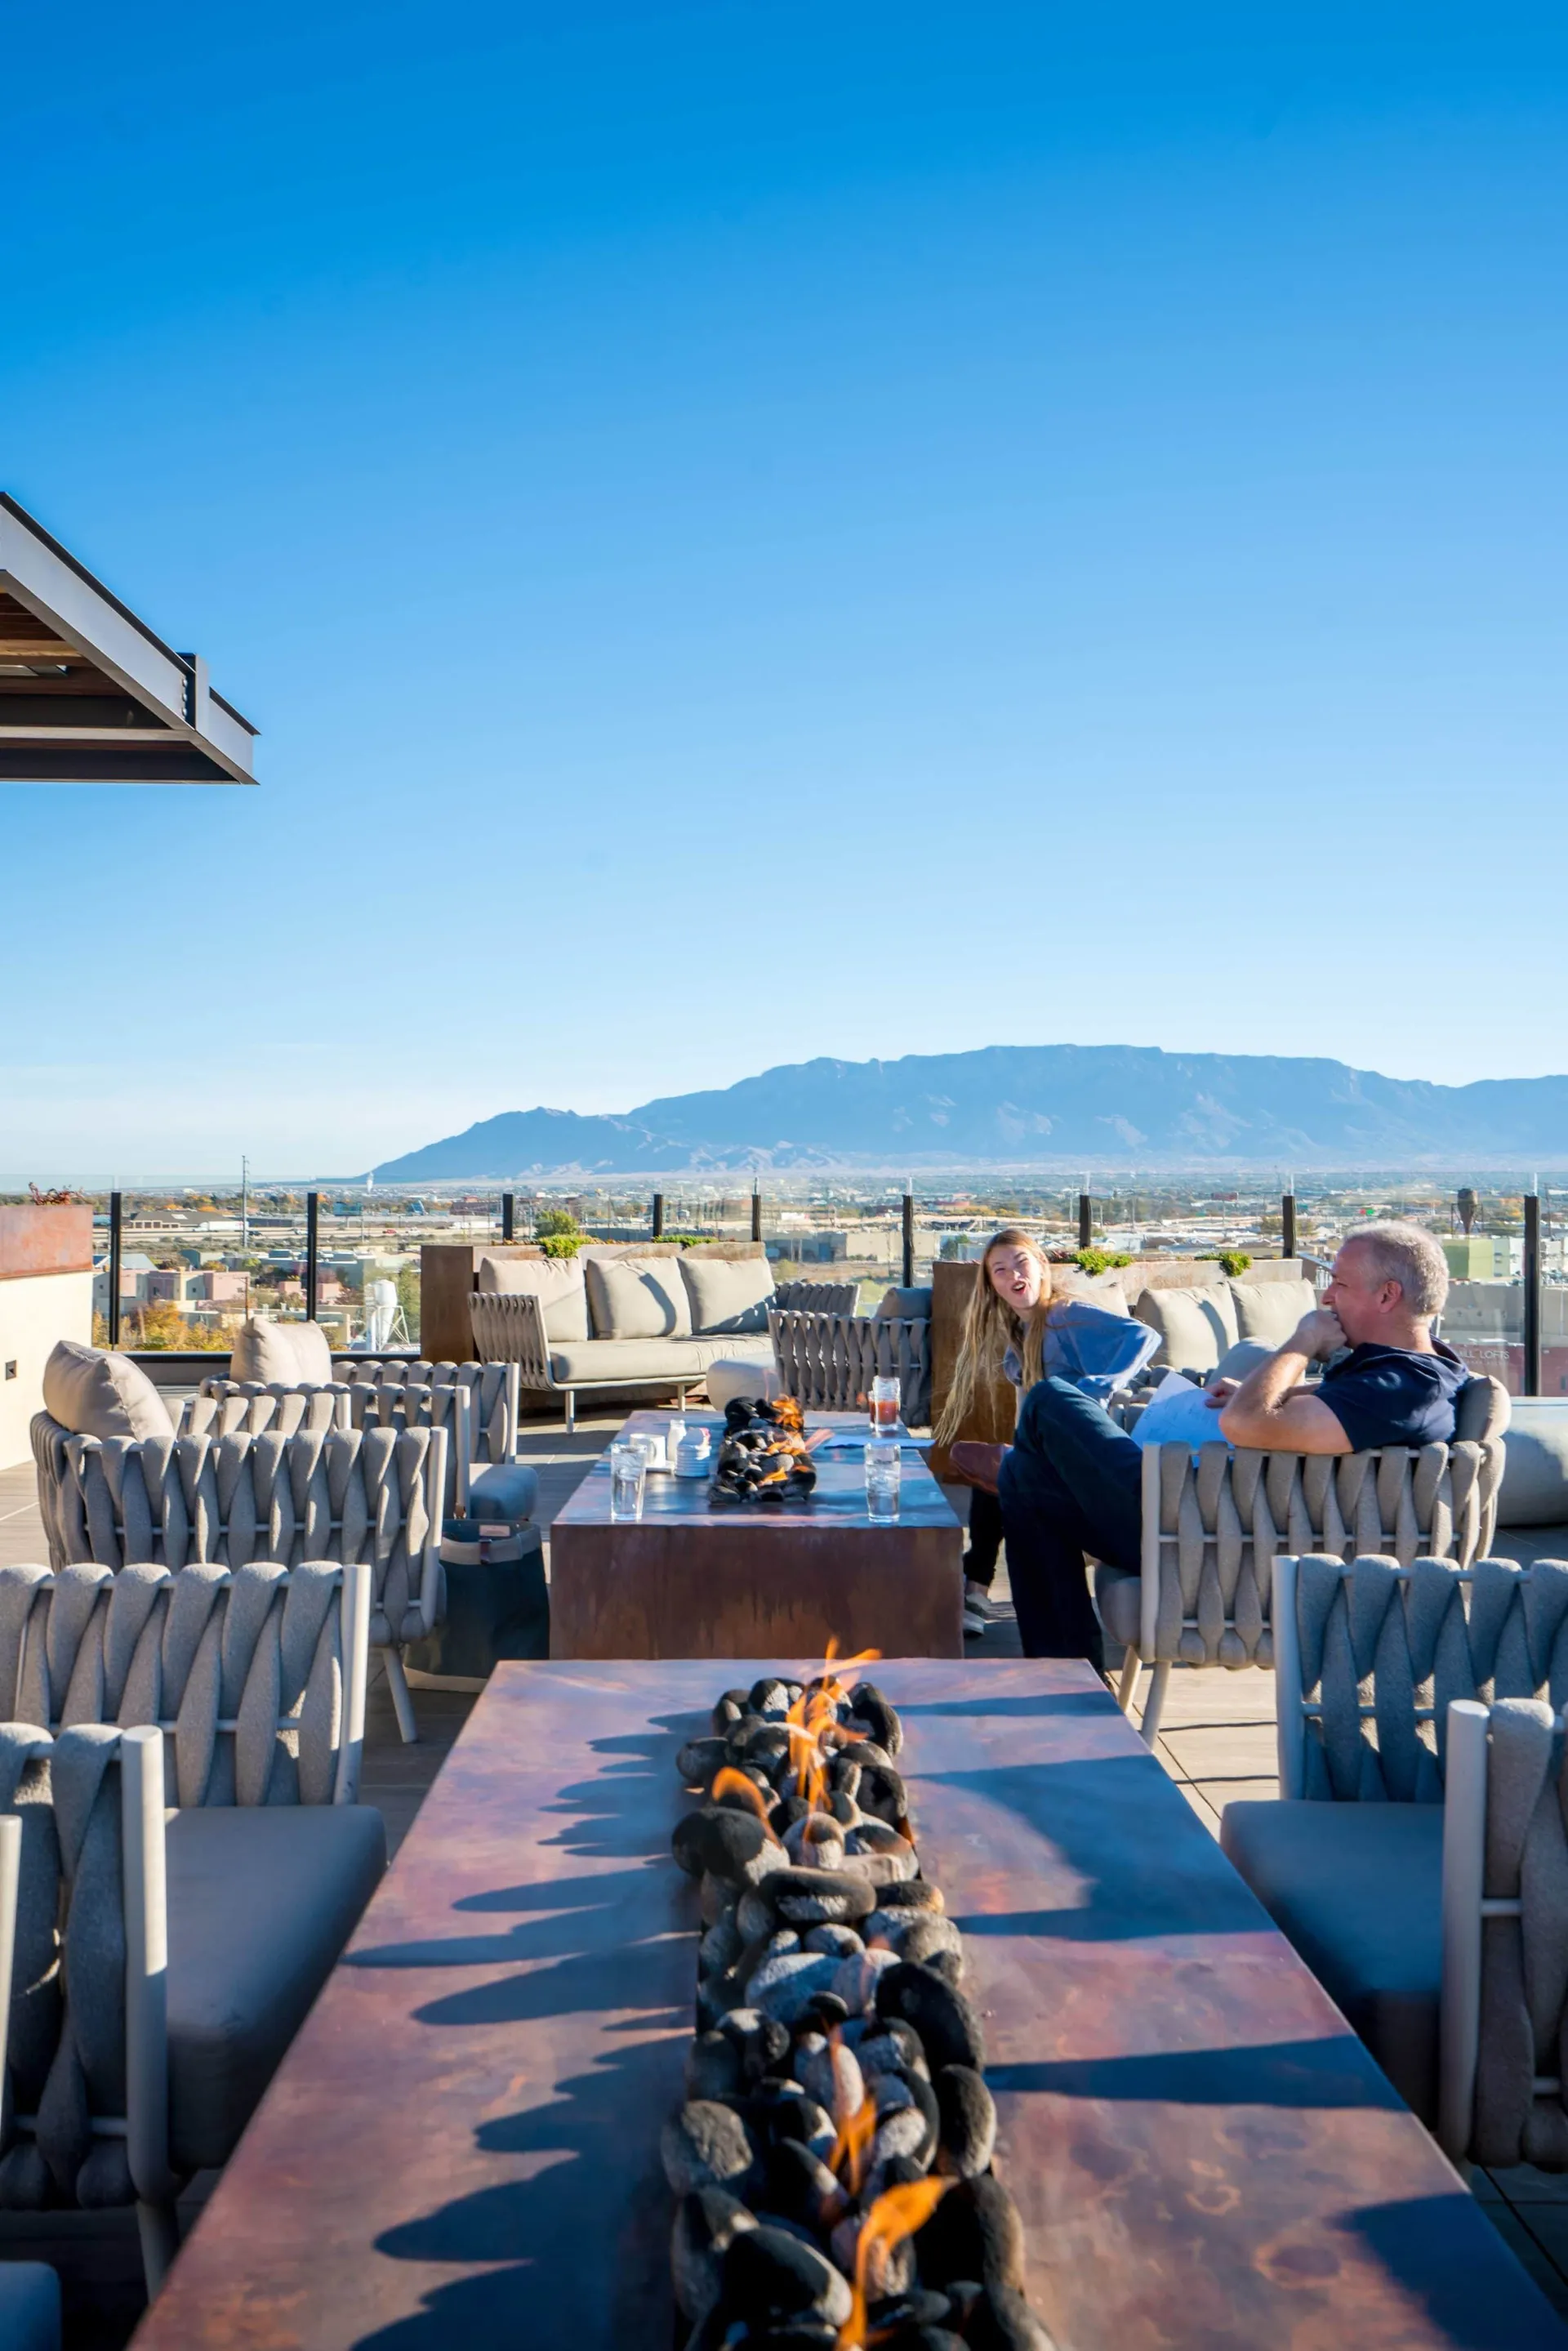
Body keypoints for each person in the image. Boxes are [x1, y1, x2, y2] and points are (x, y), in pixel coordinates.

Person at [949, 1220, 1469, 1668]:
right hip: (1206, 1526)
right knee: (1026, 1485)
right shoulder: (1399, 1379)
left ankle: (1034, 1458)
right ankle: (1071, 1684)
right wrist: (1274, 1389)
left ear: (1387, 1296)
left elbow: (1247, 1426)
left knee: (1050, 1400)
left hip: (1207, 1543)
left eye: (1340, 1285)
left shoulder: (1401, 1387)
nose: (1327, 1298)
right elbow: (1317, 1414)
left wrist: (1302, 1342)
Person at [934, 1228, 1160, 1634]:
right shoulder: (1020, 1336)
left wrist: (1092, 1392)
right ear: (993, 1286)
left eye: (1020, 1262)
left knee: (1002, 1466)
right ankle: (976, 1590)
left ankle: (975, 1589)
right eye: (1000, 1270)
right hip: (1048, 1456)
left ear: (1041, 1267)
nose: (1012, 1274)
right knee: (1000, 1472)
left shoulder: (1064, 1315)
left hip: (1081, 1455)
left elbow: (1143, 1336)